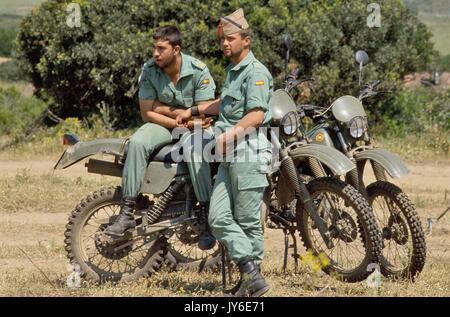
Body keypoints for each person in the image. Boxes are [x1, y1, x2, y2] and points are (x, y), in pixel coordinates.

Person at [176, 8, 273, 297]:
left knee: (247, 221)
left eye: (230, 39)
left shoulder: (256, 72)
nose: (225, 44)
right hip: (229, 155)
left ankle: (250, 282)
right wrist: (193, 110)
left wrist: (229, 134)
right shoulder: (233, 71)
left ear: (247, 40)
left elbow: (256, 115)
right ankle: (250, 273)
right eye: (223, 40)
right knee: (218, 217)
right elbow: (226, 105)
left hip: (248, 153)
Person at [105, 25, 217, 251]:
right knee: (136, 143)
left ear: (176, 49)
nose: (155, 53)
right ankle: (127, 211)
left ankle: (205, 216)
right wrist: (179, 117)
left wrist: (164, 108)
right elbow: (147, 112)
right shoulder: (149, 70)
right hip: (165, 125)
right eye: (154, 48)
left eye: (161, 48)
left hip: (195, 128)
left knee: (197, 148)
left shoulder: (198, 71)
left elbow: (205, 113)